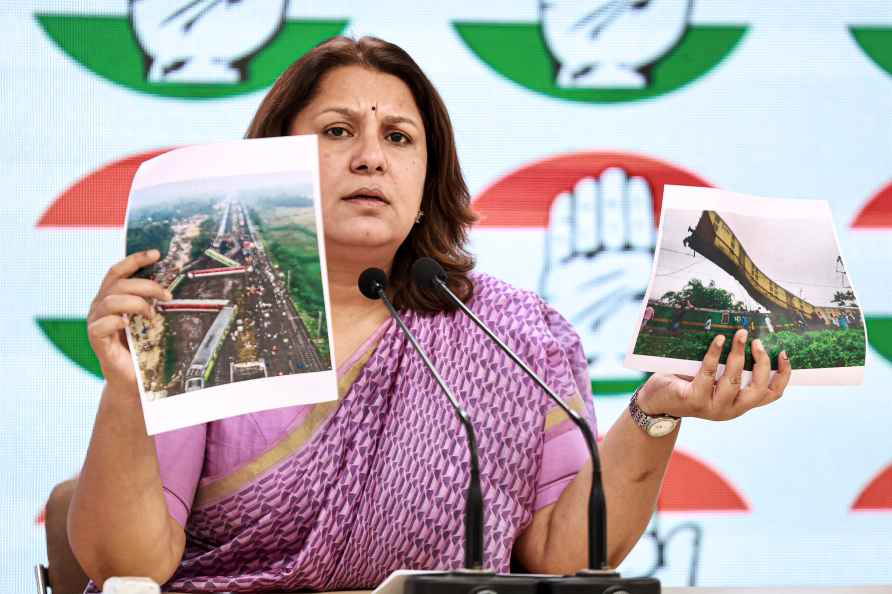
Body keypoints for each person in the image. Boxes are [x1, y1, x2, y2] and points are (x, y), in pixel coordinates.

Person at [68, 36, 792, 592]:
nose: (369, 159)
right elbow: (127, 565)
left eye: (398, 138)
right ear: (274, 159)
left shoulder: (512, 334)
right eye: (336, 131)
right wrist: (130, 389)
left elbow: (562, 558)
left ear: (426, 177)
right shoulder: (210, 313)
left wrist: (656, 412)